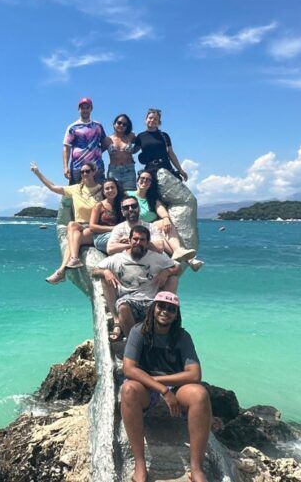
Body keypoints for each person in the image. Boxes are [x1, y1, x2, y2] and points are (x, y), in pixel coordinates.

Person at [121, 292, 211, 482]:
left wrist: (159, 382)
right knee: (128, 390)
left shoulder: (182, 337)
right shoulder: (139, 332)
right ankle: (140, 465)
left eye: (171, 309)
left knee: (200, 394)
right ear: (153, 308)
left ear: (176, 314)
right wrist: (161, 389)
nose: (165, 311)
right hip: (146, 389)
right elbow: (128, 369)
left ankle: (196, 468)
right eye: (161, 306)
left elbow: (194, 374)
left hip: (175, 388)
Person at [92, 225, 178, 341]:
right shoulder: (118, 258)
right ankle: (134, 342)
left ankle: (162, 336)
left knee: (173, 278)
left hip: (150, 301)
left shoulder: (156, 258)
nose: (138, 243)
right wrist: (105, 272)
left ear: (147, 243)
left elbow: (177, 267)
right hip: (129, 300)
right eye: (135, 239)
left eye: (142, 240)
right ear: (129, 240)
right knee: (122, 306)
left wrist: (167, 272)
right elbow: (94, 271)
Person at [30, 161, 102, 283]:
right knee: (72, 225)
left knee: (72, 239)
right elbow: (53, 187)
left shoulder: (101, 189)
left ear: (94, 172)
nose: (84, 174)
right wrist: (38, 173)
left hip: (93, 227)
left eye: (87, 171)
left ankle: (62, 271)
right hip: (79, 226)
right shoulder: (75, 189)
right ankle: (73, 259)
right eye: (82, 172)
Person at [126, 172, 203, 272]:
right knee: (160, 225)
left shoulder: (151, 198)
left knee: (165, 226)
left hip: (150, 228)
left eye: (148, 180)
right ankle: (186, 257)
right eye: (142, 178)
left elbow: (160, 209)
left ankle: (181, 253)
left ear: (151, 183)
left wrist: (166, 218)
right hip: (135, 227)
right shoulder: (128, 194)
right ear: (137, 180)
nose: (145, 181)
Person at [63, 97, 107, 184]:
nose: (85, 110)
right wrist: (65, 167)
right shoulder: (73, 127)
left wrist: (98, 151)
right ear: (79, 109)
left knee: (99, 191)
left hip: (96, 168)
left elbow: (105, 142)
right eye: (82, 108)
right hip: (77, 168)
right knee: (76, 192)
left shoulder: (98, 126)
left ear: (91, 109)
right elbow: (66, 147)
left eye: (87, 107)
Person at [136, 108, 189, 181]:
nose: (152, 120)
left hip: (166, 168)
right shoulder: (140, 136)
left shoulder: (164, 135)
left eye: (155, 119)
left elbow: (171, 153)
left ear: (159, 123)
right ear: (146, 119)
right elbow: (132, 151)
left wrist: (180, 170)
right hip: (150, 171)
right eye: (150, 118)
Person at [89, 178, 125, 255]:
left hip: (120, 234)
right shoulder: (99, 206)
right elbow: (92, 226)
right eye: (107, 188)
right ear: (103, 191)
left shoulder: (123, 204)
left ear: (117, 189)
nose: (110, 190)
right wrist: (114, 228)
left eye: (112, 187)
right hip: (101, 237)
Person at [105, 113, 138, 191]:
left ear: (127, 126)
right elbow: (98, 152)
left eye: (124, 124)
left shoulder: (131, 136)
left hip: (129, 170)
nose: (121, 125)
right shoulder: (107, 140)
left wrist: (134, 151)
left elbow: (141, 143)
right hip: (113, 171)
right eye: (119, 123)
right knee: (113, 194)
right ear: (114, 124)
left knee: (130, 194)